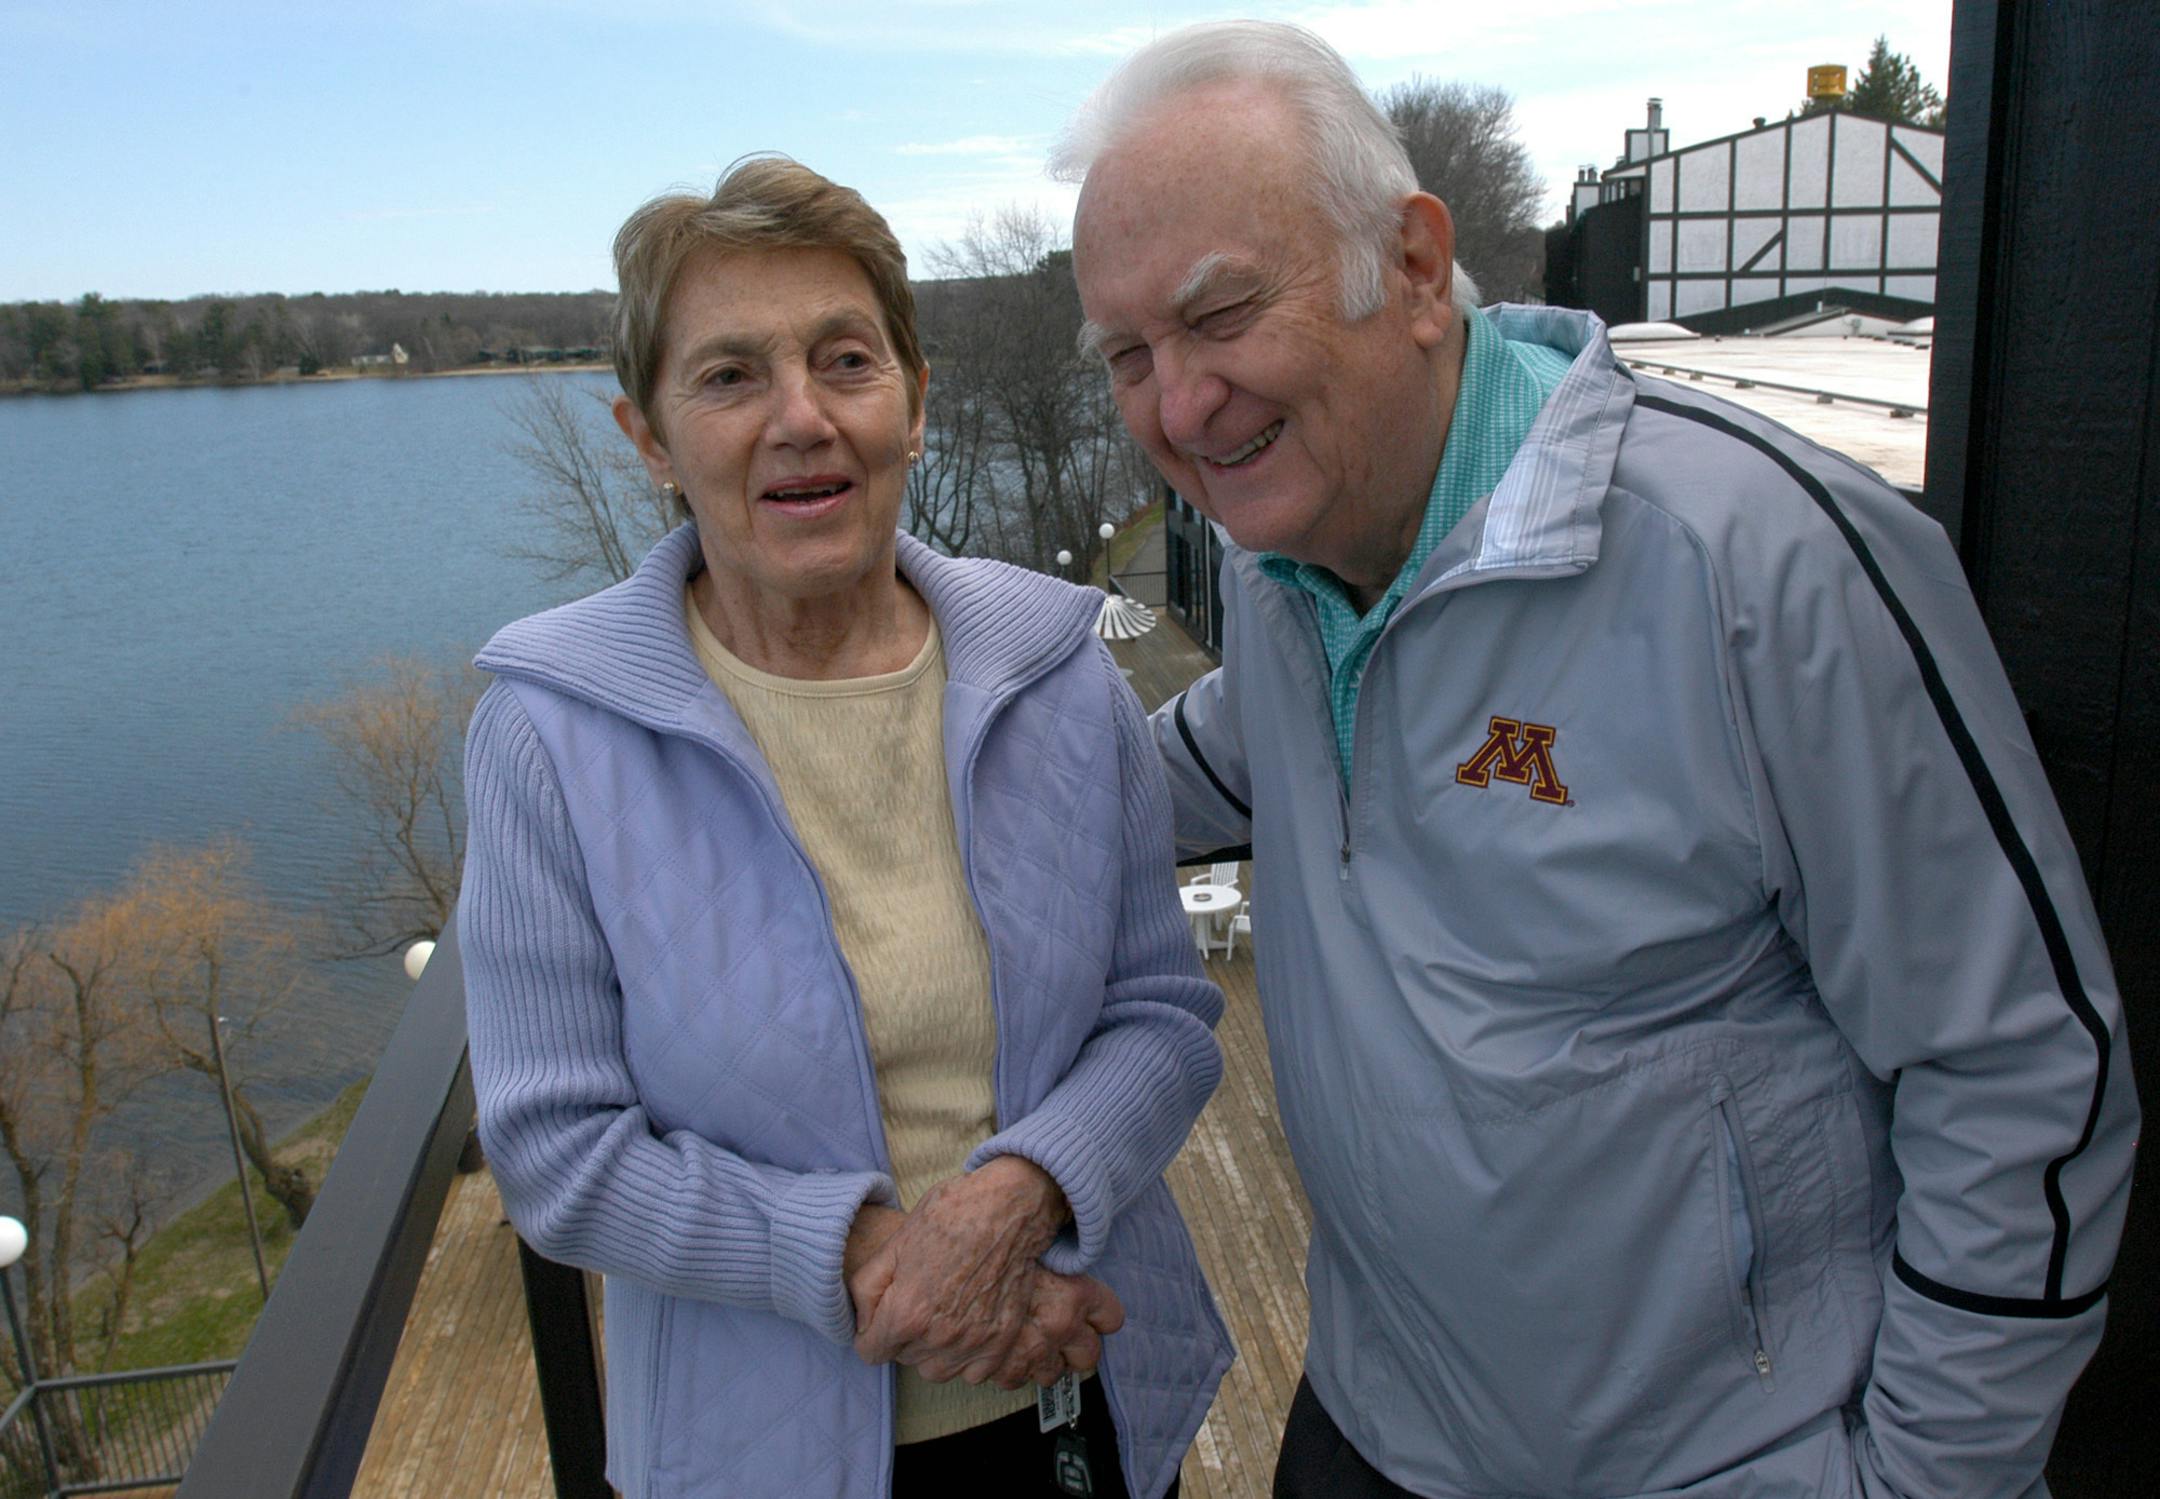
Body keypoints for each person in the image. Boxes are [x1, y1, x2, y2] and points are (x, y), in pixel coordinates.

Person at [1057, 22, 2137, 1499]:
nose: (1179, 406)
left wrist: (1927, 1483)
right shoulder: (1285, 561)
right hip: (1376, 1425)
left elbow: (2021, 1072)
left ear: (1418, 269)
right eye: (1131, 356)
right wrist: (911, 733)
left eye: (1224, 313)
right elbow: (1223, 759)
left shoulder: (1754, 562)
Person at [459, 156, 1230, 1499]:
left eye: (845, 361)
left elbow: (1160, 1014)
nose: (800, 418)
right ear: (648, 438)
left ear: (917, 403)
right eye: (729, 376)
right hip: (753, 1458)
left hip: (1078, 1403)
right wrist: (886, 1265)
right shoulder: (552, 734)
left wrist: (1016, 1199)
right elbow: (559, 1153)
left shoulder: (1054, 671)